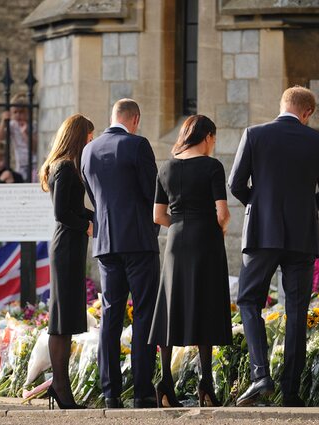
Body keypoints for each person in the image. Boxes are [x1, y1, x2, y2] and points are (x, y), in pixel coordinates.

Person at [229, 86, 319, 408]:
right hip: (301, 238)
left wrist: (260, 206)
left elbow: (236, 184)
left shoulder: (254, 134)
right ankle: (291, 392)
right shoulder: (318, 141)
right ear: (307, 113)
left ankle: (260, 374)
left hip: (262, 235)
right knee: (296, 311)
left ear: (283, 105)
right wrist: (305, 209)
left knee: (249, 301)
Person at [148, 115, 232, 408]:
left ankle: (165, 383)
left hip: (176, 240)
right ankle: (206, 383)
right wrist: (217, 227)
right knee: (205, 304)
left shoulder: (166, 167)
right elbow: (222, 213)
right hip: (206, 240)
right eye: (214, 139)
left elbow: (158, 216)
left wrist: (181, 223)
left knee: (173, 306)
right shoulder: (212, 166)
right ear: (207, 136)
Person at [81, 98, 159, 409]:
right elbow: (152, 193)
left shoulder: (89, 151)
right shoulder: (138, 145)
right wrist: (151, 231)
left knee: (111, 315)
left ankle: (110, 391)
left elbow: (94, 196)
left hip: (105, 244)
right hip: (138, 241)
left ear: (113, 116)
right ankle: (141, 391)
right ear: (135, 118)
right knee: (143, 314)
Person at [39, 114, 95, 409]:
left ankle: (61, 386)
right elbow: (62, 213)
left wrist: (93, 217)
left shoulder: (69, 167)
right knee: (60, 322)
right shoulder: (63, 167)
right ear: (77, 136)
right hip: (66, 246)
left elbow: (74, 207)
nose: (91, 141)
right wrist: (87, 224)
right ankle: (60, 387)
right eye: (88, 136)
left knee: (67, 320)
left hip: (72, 247)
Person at [0, 93, 37, 182]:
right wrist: (3, 121)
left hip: (34, 163)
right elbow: (0, 138)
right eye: (15, 112)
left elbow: (34, 148)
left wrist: (25, 133)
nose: (18, 115)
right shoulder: (12, 125)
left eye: (21, 112)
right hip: (20, 164)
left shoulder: (32, 125)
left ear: (27, 112)